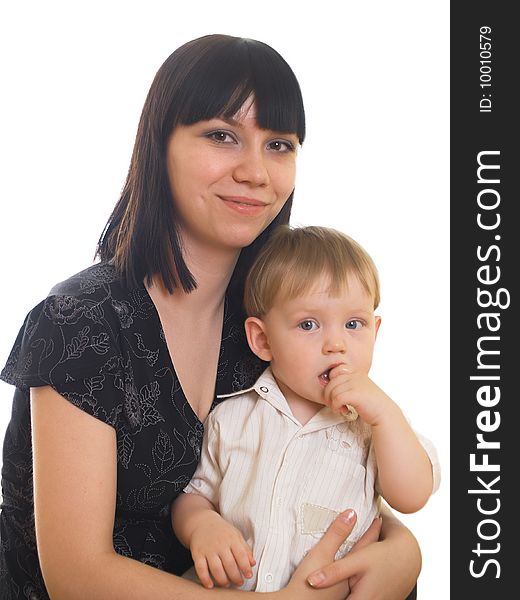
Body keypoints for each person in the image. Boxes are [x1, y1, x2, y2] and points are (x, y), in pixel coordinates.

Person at [0, 34, 422, 599]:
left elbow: (327, 470)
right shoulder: (82, 322)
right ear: (160, 144)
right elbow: (78, 576)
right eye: (222, 136)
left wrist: (403, 551)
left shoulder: (275, 318)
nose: (255, 171)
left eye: (279, 145)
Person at [173, 225, 441, 593]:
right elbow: (194, 495)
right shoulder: (233, 417)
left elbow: (412, 496)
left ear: (375, 331)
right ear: (263, 339)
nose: (336, 344)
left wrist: (385, 416)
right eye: (309, 324)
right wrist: (202, 526)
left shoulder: (375, 426)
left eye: (353, 324)